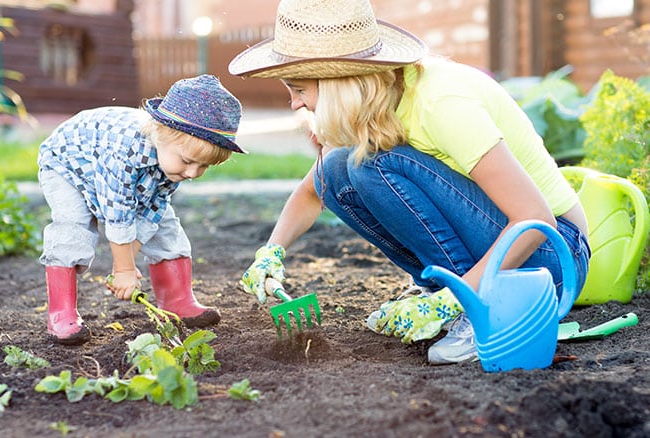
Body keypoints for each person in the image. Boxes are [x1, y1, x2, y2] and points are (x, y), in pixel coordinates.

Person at [229, 0, 590, 364]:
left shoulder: (441, 103)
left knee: (373, 164)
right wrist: (271, 253)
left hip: (551, 260)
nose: (294, 104)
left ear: (340, 84)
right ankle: (442, 290)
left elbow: (536, 219)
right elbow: (314, 189)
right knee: (338, 167)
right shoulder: (380, 101)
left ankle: (474, 308)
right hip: (508, 247)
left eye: (300, 89)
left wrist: (455, 299)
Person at [38, 75, 245, 345]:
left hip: (114, 171)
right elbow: (118, 211)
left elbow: (153, 211)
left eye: (203, 166)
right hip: (67, 166)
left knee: (166, 227)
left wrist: (126, 260)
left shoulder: (172, 162)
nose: (193, 173)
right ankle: (61, 313)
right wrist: (123, 270)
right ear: (160, 133)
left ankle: (177, 300)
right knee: (73, 226)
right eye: (188, 161)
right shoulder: (124, 151)